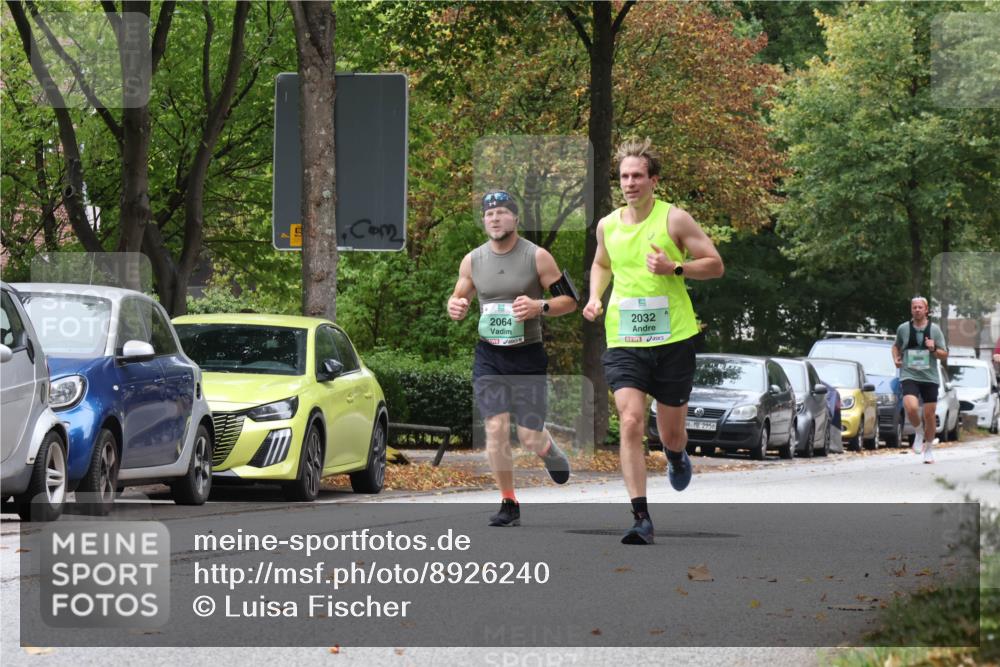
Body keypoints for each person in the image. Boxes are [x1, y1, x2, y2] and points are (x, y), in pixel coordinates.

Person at [582, 138, 724, 545]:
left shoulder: (674, 219)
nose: (630, 183)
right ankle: (641, 517)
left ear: (653, 180)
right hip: (624, 338)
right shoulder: (607, 225)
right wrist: (594, 297)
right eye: (624, 176)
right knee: (630, 419)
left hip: (673, 338)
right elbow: (601, 263)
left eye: (637, 176)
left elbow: (714, 265)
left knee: (671, 434)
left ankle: (676, 455)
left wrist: (675, 267)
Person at [447, 190, 578, 527]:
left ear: (516, 218)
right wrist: (455, 307)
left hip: (527, 355)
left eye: (502, 212)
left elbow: (569, 301)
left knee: (529, 436)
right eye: (489, 214)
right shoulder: (473, 260)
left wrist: (540, 306)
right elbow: (458, 299)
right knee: (495, 428)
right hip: (489, 355)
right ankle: (508, 502)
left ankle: (547, 449)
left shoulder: (537, 257)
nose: (495, 218)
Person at [892, 296, 948, 464]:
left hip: (929, 377)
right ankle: (918, 431)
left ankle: (928, 449)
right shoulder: (903, 328)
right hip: (909, 374)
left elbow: (944, 354)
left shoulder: (935, 330)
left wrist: (933, 348)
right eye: (914, 307)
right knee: (911, 407)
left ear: (926, 310)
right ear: (911, 310)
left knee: (929, 415)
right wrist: (896, 358)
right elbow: (896, 346)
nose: (917, 310)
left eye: (920, 307)